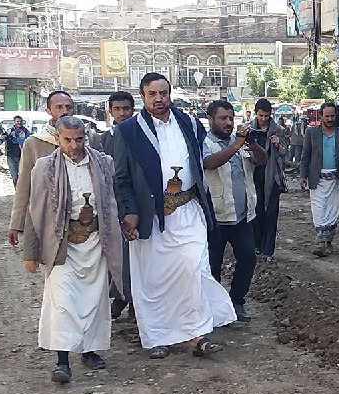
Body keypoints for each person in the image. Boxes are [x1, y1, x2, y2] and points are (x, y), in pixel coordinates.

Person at [111, 73, 236, 359]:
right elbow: (121, 178)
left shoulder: (189, 123)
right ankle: (157, 337)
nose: (159, 99)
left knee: (195, 269)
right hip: (151, 215)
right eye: (152, 94)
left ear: (170, 93)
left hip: (189, 209)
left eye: (163, 93)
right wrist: (129, 212)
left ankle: (197, 334)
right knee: (153, 279)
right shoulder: (128, 131)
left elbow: (202, 160)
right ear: (143, 96)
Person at [21, 116, 124, 384]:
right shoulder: (45, 168)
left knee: (93, 300)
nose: (73, 145)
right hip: (62, 244)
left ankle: (90, 352)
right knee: (63, 302)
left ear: (85, 137)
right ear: (58, 139)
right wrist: (30, 252)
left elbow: (112, 200)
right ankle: (62, 362)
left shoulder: (102, 163)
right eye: (67, 140)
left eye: (79, 139)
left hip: (95, 241)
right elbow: (36, 211)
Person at [203, 100, 269, 322]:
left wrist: (252, 145)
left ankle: (237, 301)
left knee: (248, 259)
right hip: (216, 217)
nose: (228, 123)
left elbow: (262, 161)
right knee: (213, 266)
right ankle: (213, 309)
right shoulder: (205, 143)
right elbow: (210, 164)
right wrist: (236, 146)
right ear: (211, 119)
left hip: (242, 216)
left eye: (231, 118)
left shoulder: (240, 142)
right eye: (223, 118)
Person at [9, 91, 75, 247]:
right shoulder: (34, 143)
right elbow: (24, 185)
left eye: (68, 107)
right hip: (49, 218)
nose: (64, 111)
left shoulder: (87, 138)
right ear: (48, 111)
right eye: (58, 107)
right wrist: (16, 223)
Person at [91, 91, 136, 319]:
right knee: (117, 256)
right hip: (112, 206)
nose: (122, 113)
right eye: (117, 109)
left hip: (136, 206)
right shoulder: (102, 140)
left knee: (136, 257)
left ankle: (134, 304)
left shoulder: (141, 136)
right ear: (110, 111)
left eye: (126, 109)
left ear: (133, 109)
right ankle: (119, 296)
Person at [300, 102, 339, 257]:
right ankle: (321, 241)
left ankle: (327, 242)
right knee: (318, 210)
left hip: (336, 179)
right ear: (321, 116)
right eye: (327, 116)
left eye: (332, 116)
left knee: (332, 210)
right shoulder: (311, 133)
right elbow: (305, 157)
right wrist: (303, 176)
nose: (330, 119)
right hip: (317, 178)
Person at [249, 99, 287, 263]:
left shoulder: (278, 130)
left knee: (271, 214)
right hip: (253, 175)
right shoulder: (248, 128)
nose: (263, 119)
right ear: (256, 113)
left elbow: (285, 153)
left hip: (273, 176)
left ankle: (268, 249)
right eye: (261, 115)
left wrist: (278, 145)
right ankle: (257, 245)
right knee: (255, 213)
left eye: (266, 116)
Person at [0, 115, 32, 187]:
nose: (19, 123)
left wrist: (16, 137)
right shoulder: (9, 131)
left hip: (22, 156)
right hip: (11, 156)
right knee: (14, 176)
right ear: (14, 122)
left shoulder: (25, 132)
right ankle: (17, 191)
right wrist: (2, 138)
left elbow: (24, 142)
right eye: (17, 121)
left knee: (22, 176)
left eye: (20, 121)